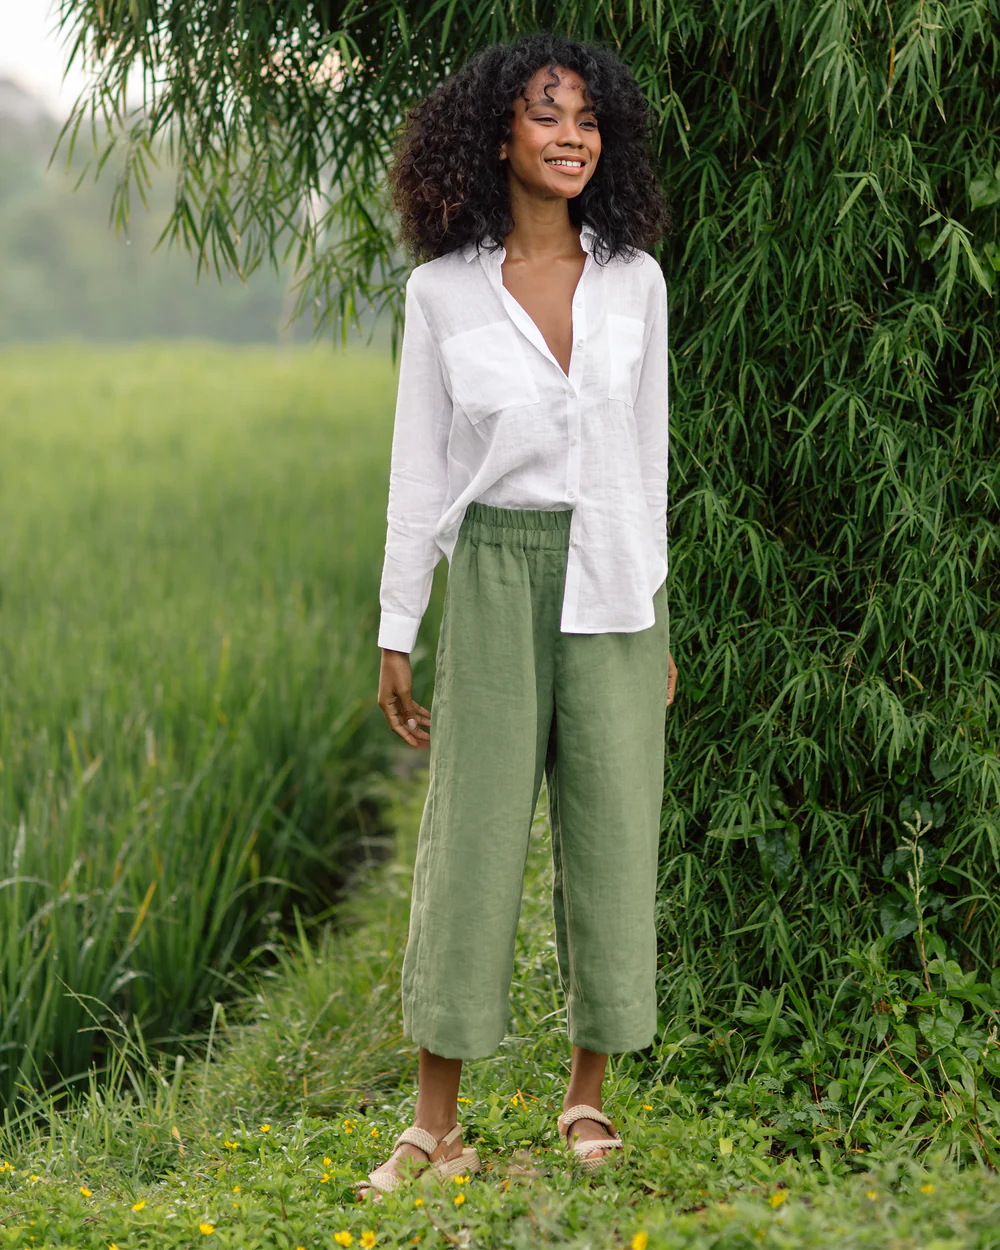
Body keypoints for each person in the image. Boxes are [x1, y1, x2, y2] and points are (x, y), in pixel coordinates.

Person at [364, 32, 677, 1201]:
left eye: (587, 120)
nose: (571, 137)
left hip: (610, 577)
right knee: (472, 841)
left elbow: (646, 461)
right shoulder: (439, 293)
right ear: (499, 133)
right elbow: (416, 468)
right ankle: (432, 1124)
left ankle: (585, 1091)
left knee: (609, 829)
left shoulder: (633, 279)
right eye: (547, 116)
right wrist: (398, 623)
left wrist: (657, 610)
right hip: (492, 572)